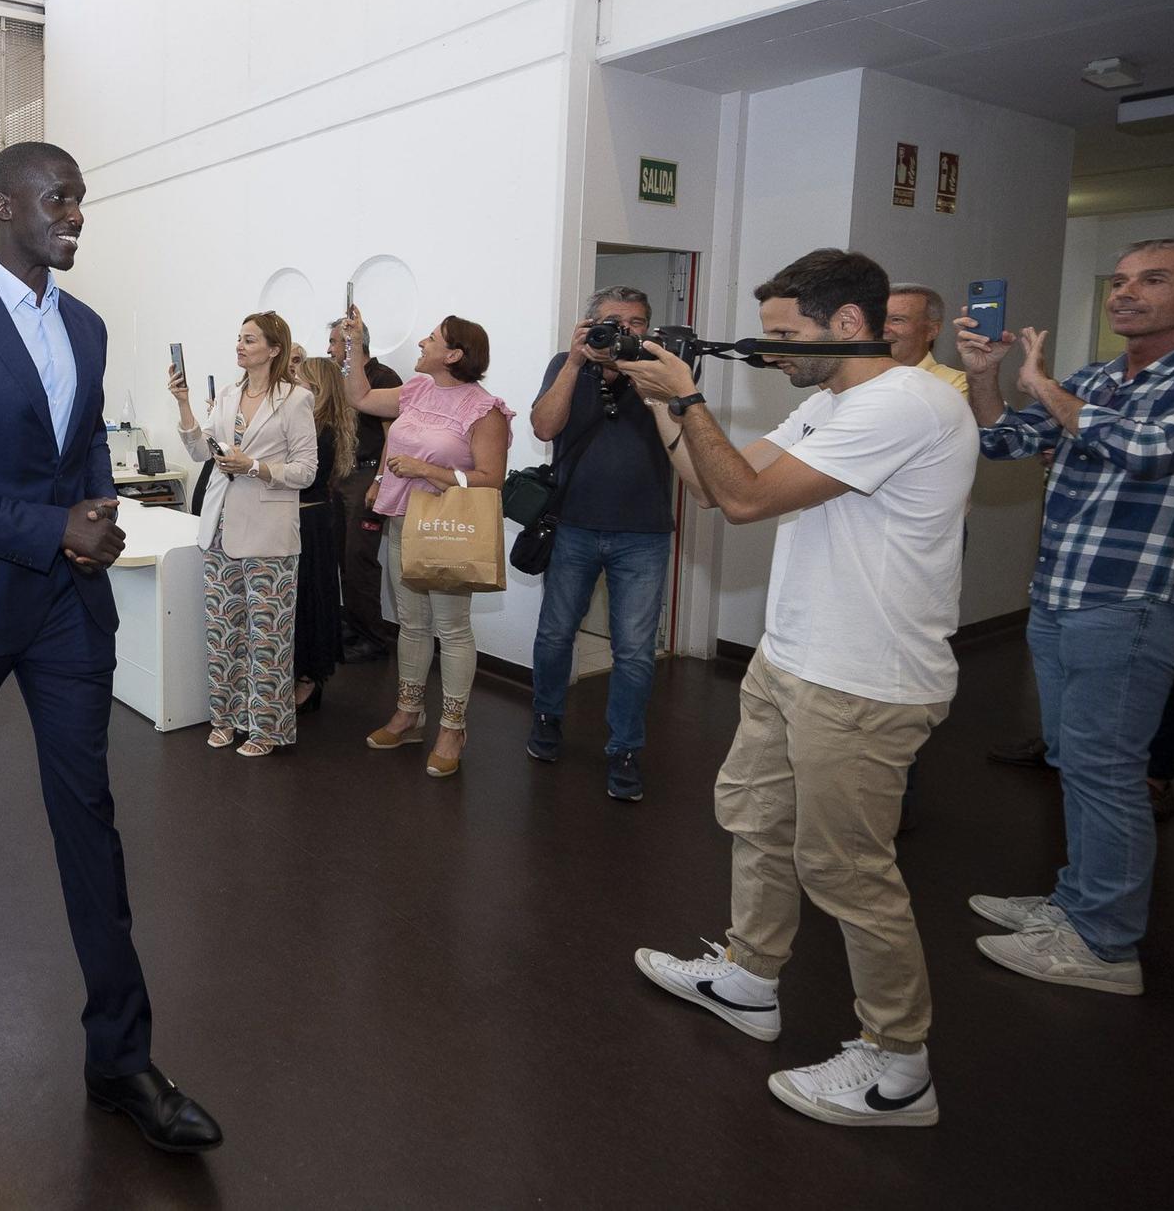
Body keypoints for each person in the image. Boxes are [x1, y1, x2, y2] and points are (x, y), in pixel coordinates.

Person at [0, 141, 220, 1153]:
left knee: (88, 812)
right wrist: (45, 528)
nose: (76, 214)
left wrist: (96, 509)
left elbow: (75, 452)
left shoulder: (85, 323)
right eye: (58, 198)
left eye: (80, 200)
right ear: (1, 205)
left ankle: (119, 1053)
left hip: (66, 606)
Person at [624, 248, 977, 1129]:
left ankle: (900, 1071)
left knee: (850, 872)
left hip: (865, 681)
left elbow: (744, 502)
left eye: (785, 334)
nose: (769, 349)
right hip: (795, 661)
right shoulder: (832, 401)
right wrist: (666, 403)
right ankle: (749, 980)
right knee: (757, 819)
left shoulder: (904, 402)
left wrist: (690, 398)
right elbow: (713, 487)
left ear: (849, 325)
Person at [958, 237, 1174, 997]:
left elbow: (1150, 450)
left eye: (1152, 280)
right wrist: (988, 381)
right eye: (1119, 281)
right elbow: (1005, 440)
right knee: (1073, 761)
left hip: (1137, 600)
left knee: (1108, 772)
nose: (1125, 293)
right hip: (1062, 594)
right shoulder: (1100, 376)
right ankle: (1077, 905)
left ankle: (1106, 947)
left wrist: (1044, 385)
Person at [342, 311, 511, 777]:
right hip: (404, 521)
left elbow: (491, 479)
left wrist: (428, 471)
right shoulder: (416, 390)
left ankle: (453, 727)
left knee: (452, 629)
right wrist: (354, 344)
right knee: (412, 624)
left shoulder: (485, 409)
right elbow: (359, 396)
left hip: (449, 528)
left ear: (454, 355)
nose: (421, 342)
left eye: (431, 339)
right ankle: (408, 714)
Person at [525, 285, 674, 800]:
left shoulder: (663, 368)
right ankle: (546, 715)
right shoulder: (566, 365)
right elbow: (544, 427)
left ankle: (625, 749)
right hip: (574, 526)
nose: (625, 330)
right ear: (589, 325)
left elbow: (686, 436)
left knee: (634, 651)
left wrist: (646, 374)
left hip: (644, 532)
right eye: (613, 320)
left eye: (636, 321)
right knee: (555, 634)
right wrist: (573, 363)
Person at [171, 312, 318, 755]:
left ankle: (267, 729)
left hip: (269, 533)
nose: (240, 345)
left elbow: (307, 470)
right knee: (223, 631)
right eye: (238, 338)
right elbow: (202, 451)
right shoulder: (230, 395)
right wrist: (184, 403)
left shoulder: (296, 400)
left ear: (274, 349)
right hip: (219, 528)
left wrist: (254, 466)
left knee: (267, 637)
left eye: (249, 340)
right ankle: (225, 718)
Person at [326, 312, 401, 661]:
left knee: (358, 559)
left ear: (354, 343)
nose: (329, 349)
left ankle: (373, 637)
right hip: (341, 474)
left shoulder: (383, 378)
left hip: (367, 475)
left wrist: (381, 482)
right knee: (339, 556)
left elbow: (394, 437)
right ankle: (353, 626)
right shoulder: (341, 379)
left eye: (334, 342)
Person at [293, 356, 354, 712]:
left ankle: (309, 677)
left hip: (311, 524)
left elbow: (303, 478)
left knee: (310, 601)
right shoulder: (309, 425)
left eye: (299, 380)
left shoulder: (323, 432)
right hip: (302, 520)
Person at [884, 284, 969, 394]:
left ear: (932, 331)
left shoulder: (955, 385)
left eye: (896, 320)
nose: (882, 328)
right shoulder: (859, 379)